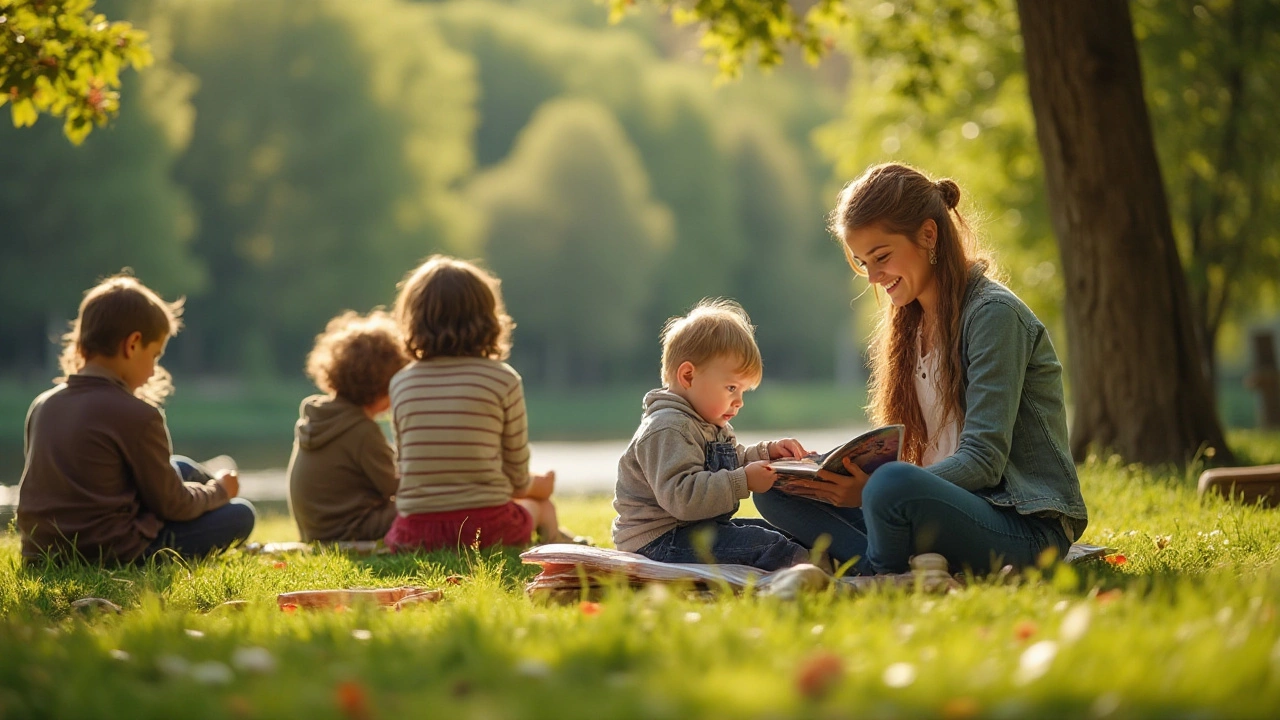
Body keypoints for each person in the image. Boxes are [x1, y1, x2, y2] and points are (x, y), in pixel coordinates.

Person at [755, 163, 1089, 576]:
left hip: (1020, 526)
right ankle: (897, 563)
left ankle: (883, 573)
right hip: (935, 510)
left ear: (928, 235)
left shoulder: (994, 316)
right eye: (863, 263)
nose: (875, 277)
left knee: (891, 486)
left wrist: (873, 491)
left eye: (881, 257)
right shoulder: (910, 323)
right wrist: (827, 470)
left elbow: (983, 461)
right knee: (775, 489)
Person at [17, 274, 255, 564]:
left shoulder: (43, 404)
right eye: (155, 355)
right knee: (240, 514)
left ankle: (206, 488)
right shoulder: (138, 416)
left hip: (42, 554)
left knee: (180, 467)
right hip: (112, 553)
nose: (154, 371)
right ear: (132, 345)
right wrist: (219, 491)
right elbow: (173, 505)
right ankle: (218, 490)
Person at [383, 255, 573, 552]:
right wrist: (540, 486)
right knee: (542, 506)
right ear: (488, 317)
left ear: (413, 319)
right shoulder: (502, 379)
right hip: (487, 529)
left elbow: (410, 467)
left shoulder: (401, 383)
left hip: (415, 532)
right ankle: (553, 542)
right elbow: (517, 478)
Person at [612, 298, 813, 571]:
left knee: (781, 533)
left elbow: (730, 462)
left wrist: (767, 453)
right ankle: (820, 577)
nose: (739, 401)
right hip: (659, 542)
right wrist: (744, 481)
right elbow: (683, 498)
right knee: (766, 545)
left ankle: (824, 564)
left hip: (696, 528)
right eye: (731, 388)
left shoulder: (710, 424)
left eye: (743, 391)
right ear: (688, 376)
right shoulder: (667, 428)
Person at [287, 310, 409, 542]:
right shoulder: (362, 430)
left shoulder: (320, 418)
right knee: (422, 505)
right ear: (382, 386)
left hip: (315, 533)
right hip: (352, 530)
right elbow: (394, 485)